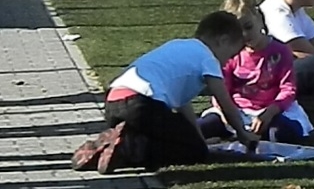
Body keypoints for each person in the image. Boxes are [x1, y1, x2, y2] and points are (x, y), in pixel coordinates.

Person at [70, 11, 259, 174]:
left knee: (188, 143)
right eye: (230, 55)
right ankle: (127, 149)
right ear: (223, 41)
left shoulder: (179, 46)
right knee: (193, 153)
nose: (227, 62)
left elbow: (183, 106)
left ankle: (107, 146)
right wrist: (242, 133)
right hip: (142, 103)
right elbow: (224, 101)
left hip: (114, 103)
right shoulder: (207, 58)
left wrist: (199, 139)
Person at [198, 0, 314, 143]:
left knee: (280, 133)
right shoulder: (230, 53)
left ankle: (238, 137)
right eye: (238, 32)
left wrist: (270, 111)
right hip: (237, 111)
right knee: (202, 127)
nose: (245, 34)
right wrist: (227, 114)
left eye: (248, 26)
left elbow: (288, 88)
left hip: (272, 110)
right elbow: (221, 89)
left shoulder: (280, 51)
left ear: (259, 18)